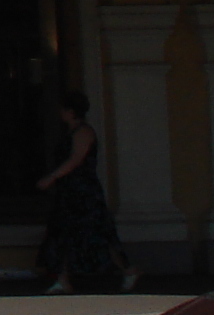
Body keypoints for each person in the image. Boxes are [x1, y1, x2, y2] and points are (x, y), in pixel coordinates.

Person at [34, 90, 138, 296]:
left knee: (98, 232)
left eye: (63, 109)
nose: (60, 113)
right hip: (70, 191)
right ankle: (62, 278)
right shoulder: (71, 132)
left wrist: (51, 177)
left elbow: (75, 160)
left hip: (83, 191)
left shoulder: (84, 132)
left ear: (71, 111)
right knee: (63, 233)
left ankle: (128, 270)